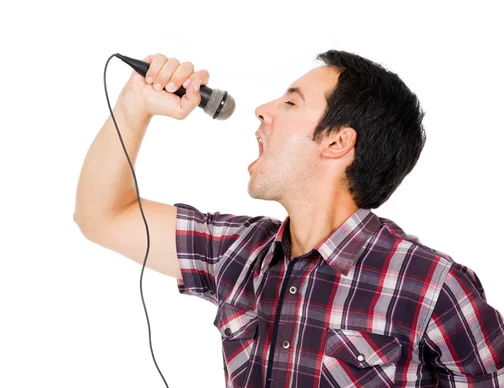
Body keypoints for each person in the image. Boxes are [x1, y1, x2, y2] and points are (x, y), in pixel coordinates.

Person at [73, 51, 504, 387]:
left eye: (291, 102)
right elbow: (103, 216)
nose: (262, 109)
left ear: (337, 141)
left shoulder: (433, 287)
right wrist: (136, 104)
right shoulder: (238, 252)